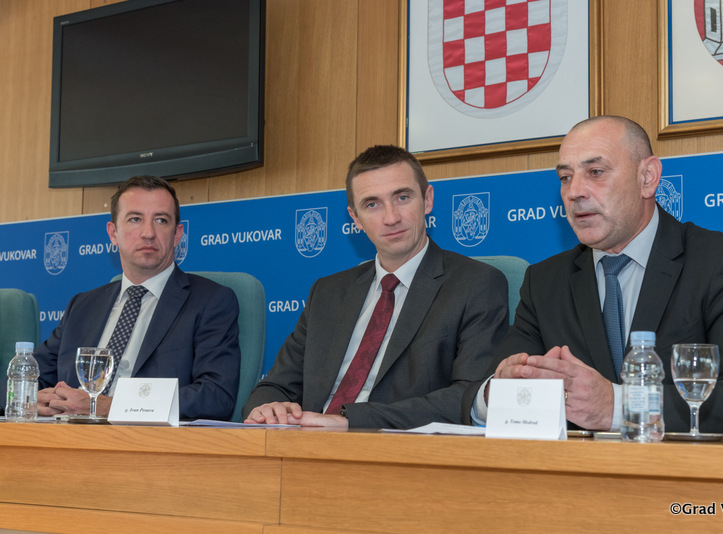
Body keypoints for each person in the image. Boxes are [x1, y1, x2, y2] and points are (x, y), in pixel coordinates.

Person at [463, 115, 723, 439]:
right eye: (565, 177)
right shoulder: (544, 281)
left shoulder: (721, 262)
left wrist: (617, 406)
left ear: (647, 178)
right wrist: (495, 394)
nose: (574, 192)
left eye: (595, 172)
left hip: (680, 470)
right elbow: (500, 390)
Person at [243, 145, 508, 429]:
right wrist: (268, 407)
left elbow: (468, 398)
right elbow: (275, 386)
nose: (391, 217)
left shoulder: (476, 284)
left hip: (396, 447)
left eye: (402, 197)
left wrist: (349, 422)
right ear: (355, 218)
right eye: (372, 204)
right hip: (306, 444)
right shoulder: (327, 292)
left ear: (427, 199)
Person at [36, 175, 240, 420]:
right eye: (135, 219)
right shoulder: (82, 306)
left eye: (161, 220)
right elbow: (26, 377)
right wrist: (30, 398)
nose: (148, 233)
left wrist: (109, 407)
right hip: (68, 437)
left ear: (177, 234)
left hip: (147, 441)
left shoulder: (211, 301)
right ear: (113, 233)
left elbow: (215, 395)